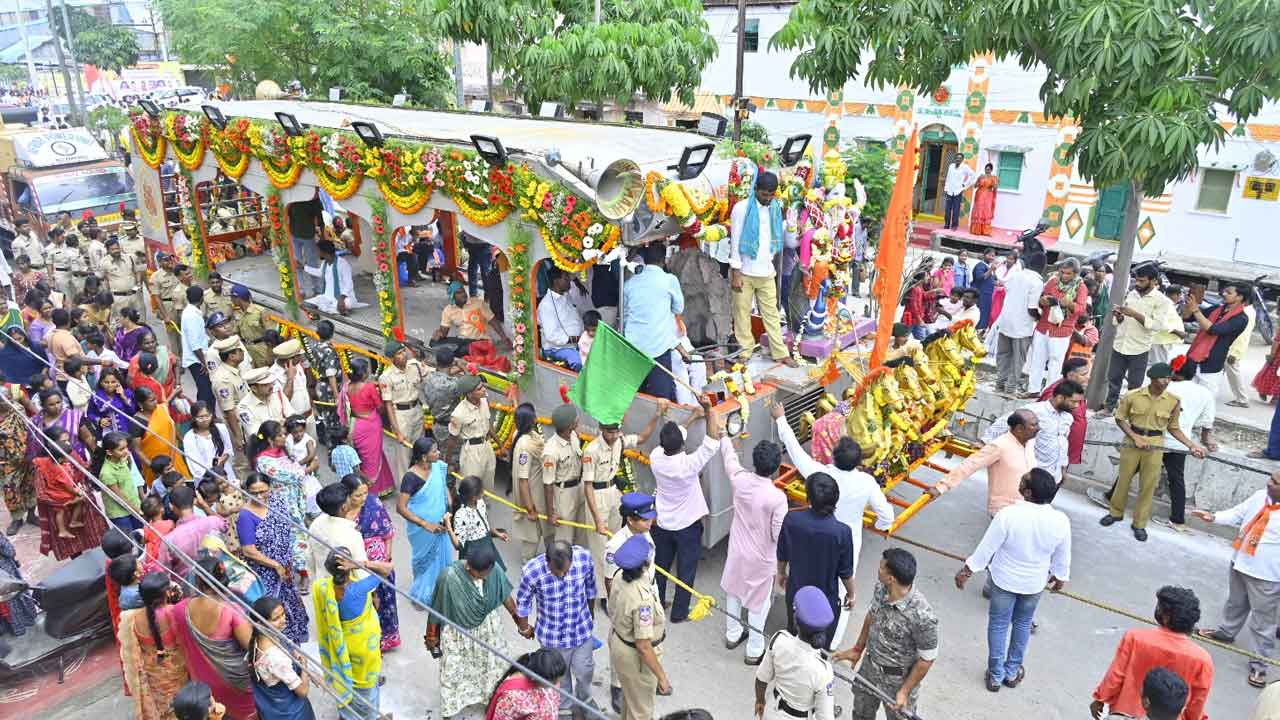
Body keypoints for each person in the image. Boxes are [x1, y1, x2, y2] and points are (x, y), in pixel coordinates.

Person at [773, 401, 891, 643]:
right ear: (859, 463)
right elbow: (887, 517)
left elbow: (795, 452)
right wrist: (875, 526)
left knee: (805, 579)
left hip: (812, 539)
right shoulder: (867, 483)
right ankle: (830, 641)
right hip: (847, 541)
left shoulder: (821, 475)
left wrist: (781, 419)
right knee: (838, 591)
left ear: (833, 458)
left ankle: (797, 631)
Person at [955, 468, 1070, 692]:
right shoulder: (1060, 520)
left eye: (1023, 480)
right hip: (1034, 584)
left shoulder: (1008, 515)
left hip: (1004, 580)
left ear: (1027, 492)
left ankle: (996, 675)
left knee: (998, 624)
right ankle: (1011, 671)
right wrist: (1061, 577)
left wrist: (967, 571)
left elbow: (987, 547)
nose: (1020, 479)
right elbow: (1062, 554)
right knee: (1023, 624)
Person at [1192, 469, 1280, 688]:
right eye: (1271, 478)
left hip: (1267, 575)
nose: (1269, 483)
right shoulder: (1260, 496)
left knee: (1263, 623)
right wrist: (1214, 517)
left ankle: (1260, 664)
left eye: (1275, 482)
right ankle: (1226, 632)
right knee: (1235, 603)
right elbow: (1238, 513)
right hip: (1240, 562)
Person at [1101, 363, 1206, 542]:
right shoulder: (1133, 396)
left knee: (1148, 485)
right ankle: (1115, 512)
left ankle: (1139, 524)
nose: (1166, 381)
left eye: (1168, 378)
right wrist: (1135, 437)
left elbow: (1174, 428)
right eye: (1162, 378)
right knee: (1123, 480)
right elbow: (1120, 419)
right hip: (1132, 441)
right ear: (1152, 378)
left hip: (1156, 444)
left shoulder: (1173, 401)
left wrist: (1192, 445)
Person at [832, 548, 937, 720]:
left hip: (898, 681)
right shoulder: (882, 588)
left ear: (891, 578)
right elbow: (872, 615)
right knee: (860, 715)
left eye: (881, 568)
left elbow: (927, 659)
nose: (877, 569)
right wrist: (857, 649)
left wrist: (904, 692)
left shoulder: (922, 616)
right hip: (869, 669)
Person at [1089, 585, 1212, 720]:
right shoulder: (1202, 659)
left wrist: (1101, 698)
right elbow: (1198, 700)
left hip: (1126, 711)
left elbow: (1116, 674)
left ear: (1166, 617)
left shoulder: (1135, 637)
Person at [720, 424, 788, 664]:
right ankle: (754, 651)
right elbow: (778, 534)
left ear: (754, 462)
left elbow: (729, 460)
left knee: (734, 592)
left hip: (738, 550)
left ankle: (732, 634)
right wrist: (783, 565)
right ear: (775, 468)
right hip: (762, 557)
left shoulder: (740, 480)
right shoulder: (777, 498)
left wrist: (724, 436)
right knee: (759, 604)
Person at [427, 543, 521, 718]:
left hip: (489, 630)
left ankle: (490, 699)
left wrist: (520, 623)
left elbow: (505, 596)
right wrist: (432, 638)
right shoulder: (449, 577)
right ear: (469, 567)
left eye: (487, 574)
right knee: (454, 672)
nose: (485, 579)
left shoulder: (494, 570)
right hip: (458, 634)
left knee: (491, 666)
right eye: (481, 575)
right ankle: (451, 710)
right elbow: (437, 608)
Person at [651, 400, 719, 623]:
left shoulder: (655, 457)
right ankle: (679, 613)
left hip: (662, 524)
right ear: (682, 446)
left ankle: (658, 604)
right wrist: (708, 411)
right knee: (686, 570)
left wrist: (691, 417)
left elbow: (675, 436)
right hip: (687, 526)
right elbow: (712, 442)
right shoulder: (688, 465)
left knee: (661, 568)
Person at [515, 539, 598, 718]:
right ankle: (564, 706)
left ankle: (586, 700)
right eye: (556, 571)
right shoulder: (532, 571)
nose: (561, 575)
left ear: (572, 559)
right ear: (547, 561)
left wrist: (591, 614)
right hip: (552, 636)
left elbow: (591, 587)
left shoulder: (584, 558)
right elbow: (523, 603)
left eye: (565, 570)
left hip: (581, 631)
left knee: (584, 670)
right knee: (560, 675)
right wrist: (524, 628)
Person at [581, 406, 662, 588]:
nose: (614, 435)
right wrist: (597, 519)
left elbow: (641, 438)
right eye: (610, 431)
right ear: (602, 429)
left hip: (613, 493)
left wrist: (656, 415)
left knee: (615, 542)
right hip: (597, 495)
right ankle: (602, 591)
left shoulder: (620, 441)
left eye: (617, 430)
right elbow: (587, 486)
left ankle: (616, 581)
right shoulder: (591, 451)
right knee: (600, 547)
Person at [171, 556, 256, 719]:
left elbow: (181, 642)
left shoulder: (180, 609)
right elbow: (252, 647)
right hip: (234, 681)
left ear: (198, 582)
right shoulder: (232, 610)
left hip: (203, 681)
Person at [777, 472, 853, 647]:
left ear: (809, 497)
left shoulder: (792, 519)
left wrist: (781, 573)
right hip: (826, 599)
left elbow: (783, 553)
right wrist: (852, 594)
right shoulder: (842, 532)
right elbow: (846, 572)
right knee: (820, 646)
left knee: (794, 637)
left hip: (796, 591)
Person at [236, 473, 309, 644]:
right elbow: (248, 550)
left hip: (285, 566)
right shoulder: (246, 517)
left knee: (291, 604)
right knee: (274, 610)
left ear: (271, 488)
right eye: (254, 493)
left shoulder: (277, 502)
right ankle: (280, 645)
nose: (259, 496)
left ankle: (296, 639)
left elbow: (287, 530)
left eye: (263, 491)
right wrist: (275, 565)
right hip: (266, 573)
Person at [1098, 264, 1178, 415]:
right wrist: (1119, 316)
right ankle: (1109, 408)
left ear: (1153, 281)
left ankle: (1128, 412)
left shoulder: (1162, 301)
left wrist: (1134, 314)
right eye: (1136, 280)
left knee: (1135, 384)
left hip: (1139, 348)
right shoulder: (1131, 294)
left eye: (1142, 281)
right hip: (1120, 343)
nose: (1138, 284)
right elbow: (1120, 321)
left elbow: (1156, 326)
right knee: (1114, 379)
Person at [313, 549, 384, 720]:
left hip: (343, 645)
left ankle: (347, 716)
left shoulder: (323, 587)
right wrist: (361, 563)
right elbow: (386, 569)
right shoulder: (357, 589)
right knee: (366, 688)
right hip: (363, 648)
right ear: (347, 566)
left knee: (348, 682)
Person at [928, 409, 1039, 517]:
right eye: (1034, 425)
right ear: (1019, 428)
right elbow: (969, 465)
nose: (1038, 428)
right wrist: (941, 487)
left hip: (1025, 508)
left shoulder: (1030, 443)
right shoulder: (999, 446)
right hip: (1004, 511)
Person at [607, 535, 671, 720]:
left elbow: (612, 609)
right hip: (636, 656)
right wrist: (662, 677)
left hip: (620, 642)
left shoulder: (619, 576)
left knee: (630, 700)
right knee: (641, 711)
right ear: (645, 563)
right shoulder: (641, 600)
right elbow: (643, 645)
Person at [753, 585, 836, 720]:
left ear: (796, 623)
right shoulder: (824, 672)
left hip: (773, 712)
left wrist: (760, 701)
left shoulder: (779, 640)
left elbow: (761, 679)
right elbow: (825, 717)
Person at [118, 572, 190, 720]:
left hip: (155, 675)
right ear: (167, 593)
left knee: (167, 710)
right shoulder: (175, 612)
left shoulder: (132, 618)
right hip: (178, 671)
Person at [341, 473, 400, 651]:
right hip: (354, 566)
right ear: (347, 495)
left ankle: (385, 638)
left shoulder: (373, 504)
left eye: (365, 493)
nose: (363, 498)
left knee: (384, 600)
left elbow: (387, 532)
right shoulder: (340, 511)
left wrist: (387, 556)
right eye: (358, 495)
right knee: (363, 603)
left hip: (379, 564)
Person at [253, 420, 316, 584]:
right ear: (269, 439)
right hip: (282, 505)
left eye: (284, 434)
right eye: (280, 435)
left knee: (298, 536)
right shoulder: (264, 461)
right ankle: (300, 573)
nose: (284, 437)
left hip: (296, 501)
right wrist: (308, 469)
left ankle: (300, 571)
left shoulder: (284, 452)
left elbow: (295, 469)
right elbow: (289, 475)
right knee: (293, 537)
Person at [621, 243, 685, 401]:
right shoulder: (669, 280)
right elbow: (678, 308)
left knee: (636, 396)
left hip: (633, 346)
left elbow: (624, 313)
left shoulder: (630, 282)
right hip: (659, 347)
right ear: (664, 260)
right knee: (662, 398)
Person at [32, 425, 107, 559]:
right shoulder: (42, 465)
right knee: (73, 546)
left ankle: (101, 563)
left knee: (94, 535)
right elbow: (41, 493)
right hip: (62, 509)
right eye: (63, 441)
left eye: (68, 441)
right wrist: (65, 502)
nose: (67, 444)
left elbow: (82, 472)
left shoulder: (69, 454)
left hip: (83, 503)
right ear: (51, 444)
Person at [397, 436, 452, 607]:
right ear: (423, 457)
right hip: (422, 530)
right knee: (423, 560)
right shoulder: (411, 477)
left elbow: (443, 488)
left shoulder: (438, 468)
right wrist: (425, 524)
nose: (438, 453)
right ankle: (421, 594)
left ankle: (440, 590)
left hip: (441, 525)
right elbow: (401, 508)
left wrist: (449, 506)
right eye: (434, 451)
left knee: (441, 559)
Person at [1025, 259, 1088, 396]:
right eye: (1062, 272)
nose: (1064, 276)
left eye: (1068, 274)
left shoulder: (1081, 287)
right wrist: (1042, 301)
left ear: (1075, 274)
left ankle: (1050, 393)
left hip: (1062, 329)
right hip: (1044, 326)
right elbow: (1041, 298)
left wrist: (1069, 304)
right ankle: (1033, 390)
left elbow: (1081, 309)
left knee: (1055, 363)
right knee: (1037, 359)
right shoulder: (1053, 281)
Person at [248, 595, 315, 720]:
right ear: (260, 623)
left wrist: (293, 653)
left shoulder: (260, 639)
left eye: (283, 614)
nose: (283, 619)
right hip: (292, 713)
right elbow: (303, 691)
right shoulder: (275, 658)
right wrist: (304, 666)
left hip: (275, 708)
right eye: (276, 618)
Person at [1184, 281, 1253, 396]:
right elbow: (1187, 318)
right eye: (1225, 291)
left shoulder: (1241, 318)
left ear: (1240, 297)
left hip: (1212, 363)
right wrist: (1190, 303)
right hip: (1194, 358)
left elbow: (1213, 330)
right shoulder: (1216, 309)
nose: (1224, 294)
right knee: (1186, 397)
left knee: (1206, 399)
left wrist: (1196, 309)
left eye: (1229, 292)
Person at [1009, 380, 1083, 482]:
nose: (1076, 406)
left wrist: (1063, 470)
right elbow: (1004, 422)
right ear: (1060, 398)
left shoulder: (1068, 417)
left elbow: (1062, 444)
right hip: (1033, 475)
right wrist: (984, 442)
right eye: (1073, 401)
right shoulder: (1035, 411)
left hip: (1054, 477)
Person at [992, 255, 1045, 394]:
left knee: (1003, 355)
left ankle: (999, 384)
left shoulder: (1015, 275)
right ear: (1042, 267)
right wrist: (1040, 318)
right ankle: (1010, 387)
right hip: (1022, 326)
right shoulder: (1037, 282)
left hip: (1005, 321)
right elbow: (1032, 308)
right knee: (1018, 358)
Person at [342, 357, 395, 497]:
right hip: (370, 425)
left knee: (368, 457)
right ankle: (370, 492)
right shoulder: (369, 387)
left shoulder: (347, 386)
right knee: (373, 459)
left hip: (356, 425)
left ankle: (384, 486)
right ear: (364, 373)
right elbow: (380, 407)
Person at [378, 339, 427, 482]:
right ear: (392, 358)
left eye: (403, 351)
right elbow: (388, 405)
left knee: (421, 450)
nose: (404, 355)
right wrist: (397, 431)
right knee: (404, 456)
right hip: (401, 415)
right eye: (399, 354)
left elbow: (431, 372)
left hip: (417, 410)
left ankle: (421, 483)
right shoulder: (386, 377)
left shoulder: (414, 366)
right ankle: (404, 490)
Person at [157, 485, 227, 578]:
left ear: (171, 506)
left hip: (190, 587)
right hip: (220, 575)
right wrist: (204, 506)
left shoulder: (169, 540)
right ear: (195, 501)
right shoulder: (213, 521)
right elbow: (226, 526)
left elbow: (164, 571)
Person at [540, 402, 584, 542]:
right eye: (575, 419)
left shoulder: (573, 437)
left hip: (579, 488)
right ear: (570, 425)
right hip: (563, 494)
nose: (578, 419)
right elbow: (548, 484)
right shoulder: (551, 451)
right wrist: (550, 513)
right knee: (565, 535)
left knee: (579, 530)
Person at [1039, 358, 1091, 474]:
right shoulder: (1055, 392)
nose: (1088, 377)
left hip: (1066, 451)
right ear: (1071, 375)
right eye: (1084, 374)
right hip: (1052, 452)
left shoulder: (1076, 391)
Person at [485, 648, 568, 720]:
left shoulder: (551, 674)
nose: (557, 684)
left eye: (559, 678)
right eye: (553, 682)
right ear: (534, 677)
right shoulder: (512, 696)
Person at [432, 280, 512, 354]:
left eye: (463, 291)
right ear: (453, 296)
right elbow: (443, 332)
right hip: (462, 340)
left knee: (464, 349)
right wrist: (438, 334)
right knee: (433, 343)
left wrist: (504, 338)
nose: (463, 294)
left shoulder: (478, 303)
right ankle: (458, 350)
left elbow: (493, 321)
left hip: (480, 340)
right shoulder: (448, 310)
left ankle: (457, 351)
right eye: (459, 293)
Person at [510, 402, 546, 564]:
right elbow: (523, 481)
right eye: (534, 417)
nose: (537, 419)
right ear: (529, 421)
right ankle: (528, 564)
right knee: (531, 534)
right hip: (532, 494)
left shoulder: (526, 435)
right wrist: (530, 508)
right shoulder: (525, 446)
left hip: (536, 492)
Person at [448, 374, 496, 491]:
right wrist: (449, 462)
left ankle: (484, 508)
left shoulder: (484, 401)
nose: (484, 389)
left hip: (487, 447)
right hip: (471, 452)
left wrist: (500, 445)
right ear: (469, 394)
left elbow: (488, 425)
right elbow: (452, 439)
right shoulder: (459, 413)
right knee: (471, 488)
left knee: (488, 484)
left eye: (482, 386)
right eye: (479, 389)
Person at [135, 385, 192, 483]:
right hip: (157, 468)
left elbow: (167, 404)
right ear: (141, 404)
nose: (155, 402)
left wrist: (174, 392)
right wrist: (156, 468)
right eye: (151, 401)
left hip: (174, 458)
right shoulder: (137, 423)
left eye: (155, 399)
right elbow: (137, 450)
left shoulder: (161, 409)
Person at [0, 380, 35, 536]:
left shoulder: (18, 410)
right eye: (4, 399)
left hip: (26, 456)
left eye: (9, 398)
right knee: (10, 490)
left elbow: (32, 431)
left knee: (30, 485)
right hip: (5, 462)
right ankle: (17, 518)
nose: (8, 401)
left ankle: (32, 514)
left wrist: (30, 453)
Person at [538, 267, 586, 369]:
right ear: (556, 281)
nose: (569, 280)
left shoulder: (566, 296)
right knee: (579, 361)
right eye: (566, 278)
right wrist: (575, 339)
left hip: (576, 344)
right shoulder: (547, 304)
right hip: (557, 348)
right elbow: (551, 336)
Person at [303, 240, 365, 315]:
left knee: (347, 303)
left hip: (343, 297)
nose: (317, 253)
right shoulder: (325, 263)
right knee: (305, 304)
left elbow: (349, 283)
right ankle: (334, 309)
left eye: (318, 251)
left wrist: (341, 299)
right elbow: (320, 273)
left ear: (324, 252)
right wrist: (304, 267)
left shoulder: (343, 263)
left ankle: (331, 308)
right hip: (327, 297)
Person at [183, 401, 236, 486]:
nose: (204, 420)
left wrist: (222, 459)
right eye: (200, 417)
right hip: (205, 480)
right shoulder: (189, 438)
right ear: (193, 418)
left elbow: (228, 449)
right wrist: (211, 477)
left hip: (225, 472)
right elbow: (195, 466)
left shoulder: (220, 428)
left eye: (207, 416)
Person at [100, 430, 142, 531]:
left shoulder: (122, 459)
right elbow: (120, 497)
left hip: (132, 504)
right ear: (109, 452)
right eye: (121, 449)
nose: (126, 451)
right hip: (120, 513)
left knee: (141, 535)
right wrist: (138, 510)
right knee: (128, 541)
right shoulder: (106, 473)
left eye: (126, 447)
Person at [421, 347, 462, 445]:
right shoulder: (454, 384)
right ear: (452, 363)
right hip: (450, 428)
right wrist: (463, 367)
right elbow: (471, 384)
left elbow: (442, 375)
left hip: (434, 425)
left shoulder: (428, 378)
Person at [231, 285, 272, 368]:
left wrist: (270, 355)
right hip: (246, 350)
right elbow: (235, 332)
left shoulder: (260, 311)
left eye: (232, 297)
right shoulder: (237, 312)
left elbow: (271, 335)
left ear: (238, 298)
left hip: (261, 350)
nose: (231, 300)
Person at [270, 339, 311, 420]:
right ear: (290, 359)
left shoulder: (297, 365)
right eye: (299, 356)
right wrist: (290, 379)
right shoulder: (272, 375)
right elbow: (283, 401)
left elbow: (304, 388)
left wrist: (312, 408)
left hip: (309, 415)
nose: (301, 358)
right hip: (294, 421)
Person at [942, 153, 977, 229]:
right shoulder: (951, 166)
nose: (958, 159)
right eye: (957, 158)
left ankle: (954, 225)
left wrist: (965, 184)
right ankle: (947, 224)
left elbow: (973, 175)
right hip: (949, 191)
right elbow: (948, 177)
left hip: (958, 191)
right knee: (947, 209)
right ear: (955, 158)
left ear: (962, 159)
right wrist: (946, 188)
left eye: (960, 158)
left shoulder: (965, 167)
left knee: (956, 209)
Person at [968, 163, 998, 235]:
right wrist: (978, 182)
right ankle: (976, 230)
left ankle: (985, 231)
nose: (987, 171)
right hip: (980, 195)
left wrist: (993, 182)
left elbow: (995, 187)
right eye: (986, 169)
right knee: (978, 211)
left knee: (986, 211)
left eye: (988, 169)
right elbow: (975, 186)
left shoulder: (994, 178)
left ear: (991, 170)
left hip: (988, 196)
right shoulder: (981, 176)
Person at [971, 249, 998, 329]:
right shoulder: (980, 265)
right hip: (980, 294)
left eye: (993, 256)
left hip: (988, 295)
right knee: (979, 313)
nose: (991, 257)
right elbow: (981, 278)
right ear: (984, 255)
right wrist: (991, 270)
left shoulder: (990, 267)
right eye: (989, 255)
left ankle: (981, 331)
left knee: (985, 314)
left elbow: (993, 280)